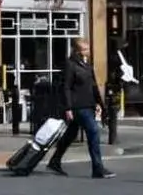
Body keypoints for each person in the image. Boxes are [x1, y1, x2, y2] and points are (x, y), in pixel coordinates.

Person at [47, 38, 115, 179]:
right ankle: (98, 168)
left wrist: (99, 104)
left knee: (70, 135)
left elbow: (93, 86)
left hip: (88, 105)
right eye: (84, 49)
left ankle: (55, 161)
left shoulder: (86, 64)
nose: (88, 51)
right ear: (76, 50)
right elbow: (66, 87)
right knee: (93, 132)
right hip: (78, 106)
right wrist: (68, 108)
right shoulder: (70, 64)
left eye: (88, 49)